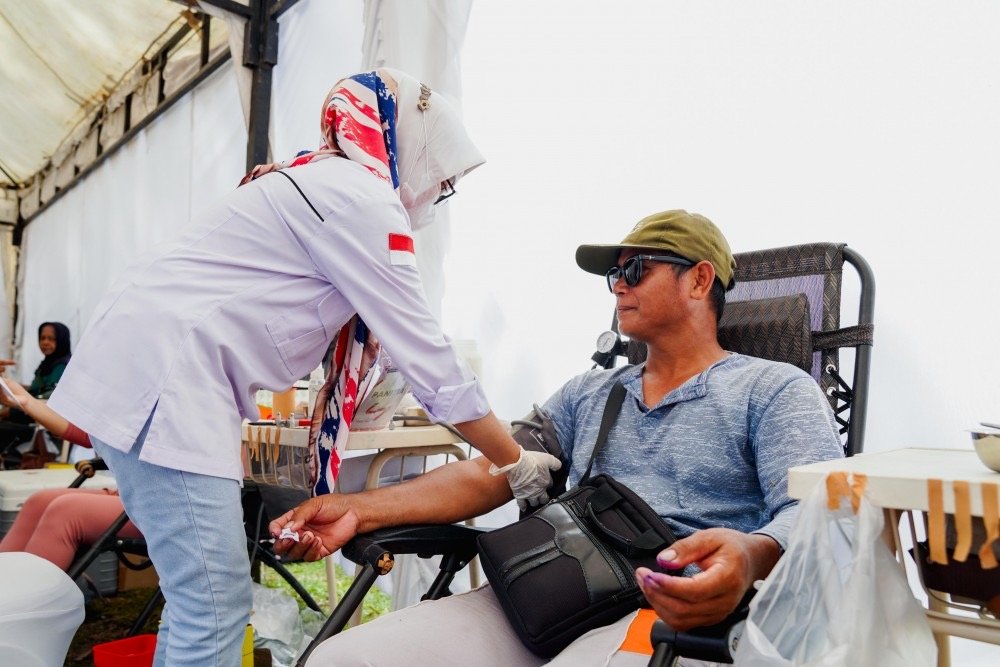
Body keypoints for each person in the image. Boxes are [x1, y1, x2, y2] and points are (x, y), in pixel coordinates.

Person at [37, 68, 559, 666]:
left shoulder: (315, 179)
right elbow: (430, 359)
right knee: (212, 606)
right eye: (440, 177)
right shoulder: (362, 199)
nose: (437, 195)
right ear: (411, 147)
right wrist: (514, 461)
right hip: (167, 381)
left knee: (200, 598)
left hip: (148, 369)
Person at [269, 210, 846, 665]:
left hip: (676, 610)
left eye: (635, 271)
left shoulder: (774, 390)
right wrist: (356, 509)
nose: (617, 288)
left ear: (699, 279)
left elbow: (818, 511)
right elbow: (491, 471)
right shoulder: (588, 393)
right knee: (346, 659)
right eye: (613, 276)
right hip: (557, 590)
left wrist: (751, 553)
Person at [0, 322, 72, 464]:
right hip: (30, 417)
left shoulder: (62, 366)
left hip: (43, 425)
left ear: (62, 341)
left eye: (51, 339)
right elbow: (35, 390)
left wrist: (9, 411)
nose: (45, 342)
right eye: (42, 338)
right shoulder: (47, 364)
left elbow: (47, 399)